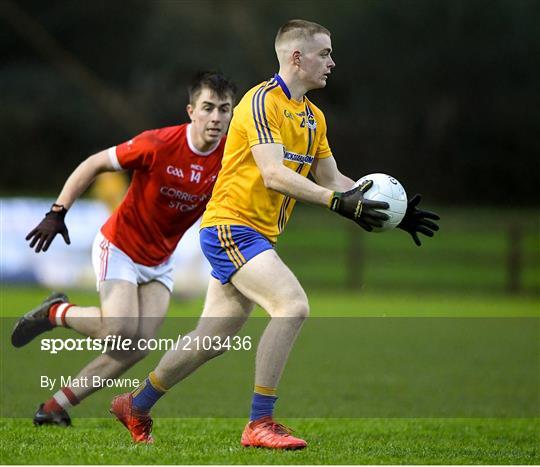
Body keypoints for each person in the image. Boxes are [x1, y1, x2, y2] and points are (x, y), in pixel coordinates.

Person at [111, 19, 440, 448]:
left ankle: (135, 405)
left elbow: (333, 177)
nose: (332, 63)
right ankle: (259, 423)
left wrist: (388, 212)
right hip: (231, 226)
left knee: (211, 339)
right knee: (292, 306)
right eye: (325, 53)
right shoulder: (260, 102)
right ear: (297, 57)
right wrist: (337, 203)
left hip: (257, 234)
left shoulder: (313, 117)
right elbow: (273, 173)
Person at [11, 71, 237, 426]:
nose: (216, 117)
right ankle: (55, 312)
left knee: (135, 347)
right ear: (191, 110)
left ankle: (54, 408)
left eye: (224, 109)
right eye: (208, 107)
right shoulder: (159, 144)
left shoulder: (229, 157)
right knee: (118, 330)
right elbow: (94, 163)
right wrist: (58, 212)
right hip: (119, 247)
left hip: (160, 262)